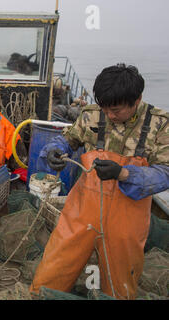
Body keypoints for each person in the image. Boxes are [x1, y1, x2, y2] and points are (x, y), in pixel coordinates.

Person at [30, 63, 169, 299]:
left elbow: (165, 172)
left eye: (115, 110)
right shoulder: (91, 114)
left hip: (128, 220)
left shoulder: (161, 125)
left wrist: (124, 174)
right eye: (105, 109)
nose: (109, 115)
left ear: (137, 100)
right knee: (56, 264)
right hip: (82, 210)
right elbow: (68, 140)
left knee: (119, 283)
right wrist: (55, 150)